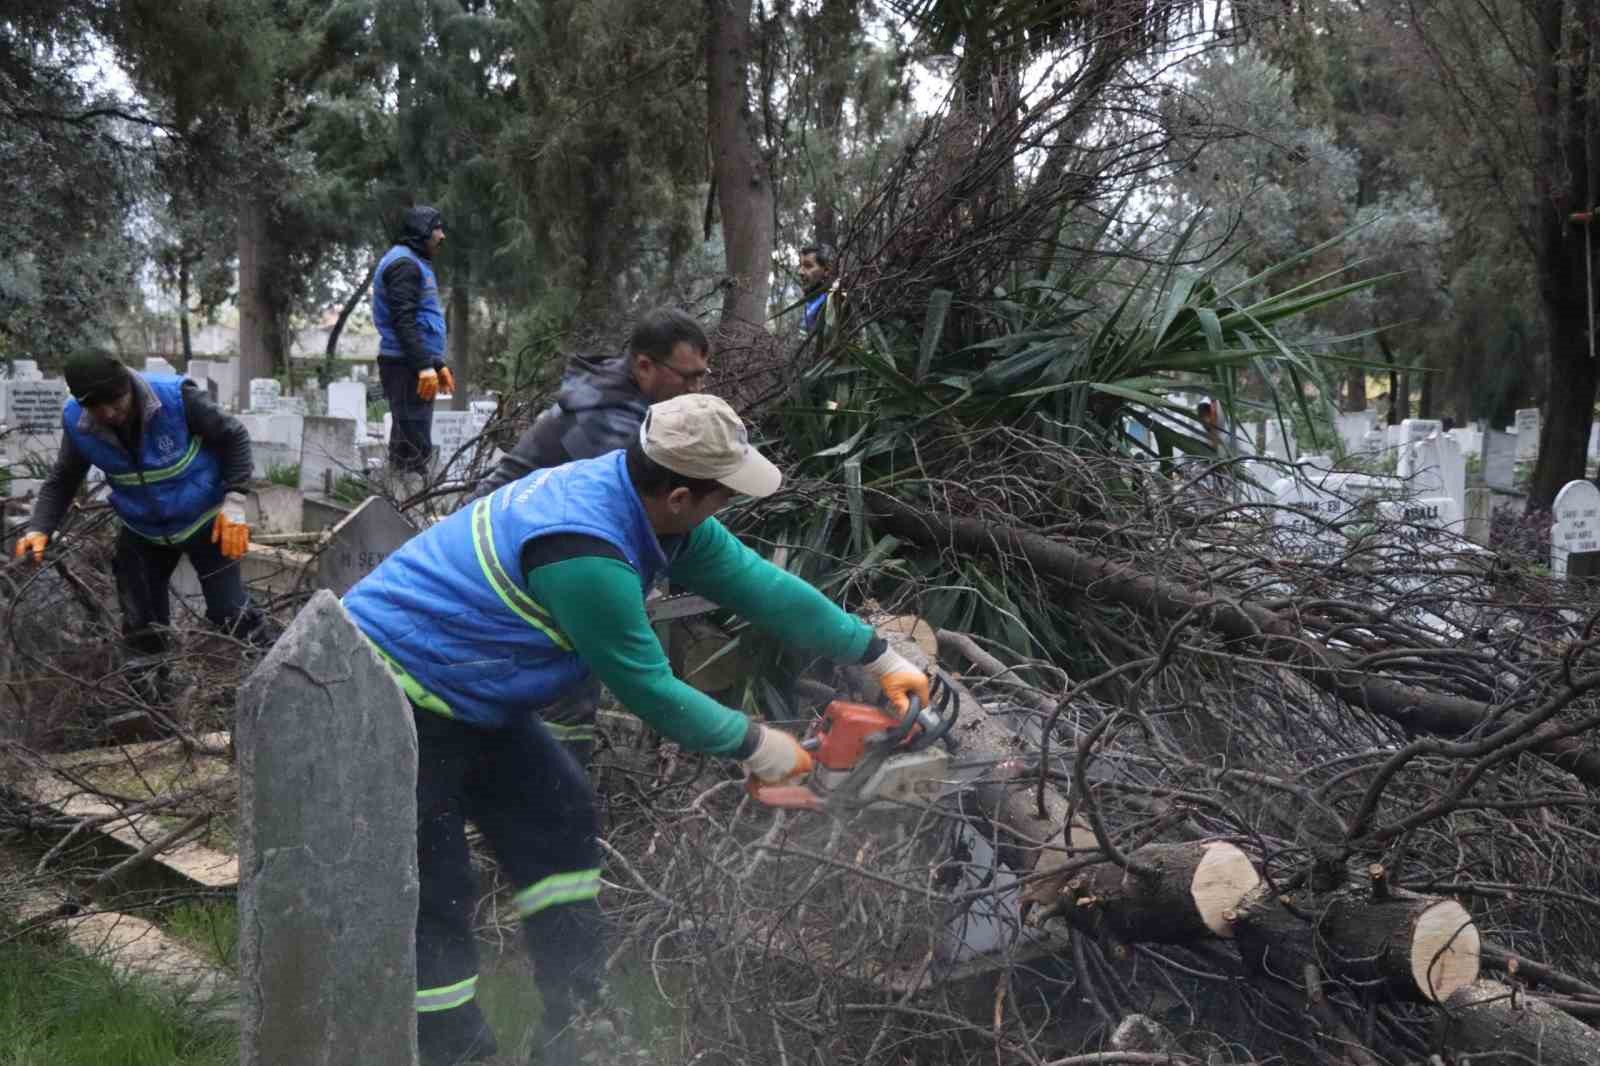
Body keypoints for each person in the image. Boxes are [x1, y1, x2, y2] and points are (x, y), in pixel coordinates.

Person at [341, 393, 930, 1066]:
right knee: (436, 887)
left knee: (561, 817)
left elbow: (761, 586)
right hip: (388, 696)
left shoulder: (651, 509)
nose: (727, 508)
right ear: (679, 493)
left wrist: (877, 655)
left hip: (471, 693)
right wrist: (757, 744)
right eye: (722, 496)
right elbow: (648, 687)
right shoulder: (584, 548)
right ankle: (449, 1051)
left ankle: (577, 1024)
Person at [466, 307, 713, 759]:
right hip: (503, 563)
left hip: (537, 550)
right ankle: (555, 794)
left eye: (703, 378)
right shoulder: (609, 427)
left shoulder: (631, 405)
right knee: (568, 688)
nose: (697, 390)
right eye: (688, 377)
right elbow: (636, 515)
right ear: (644, 366)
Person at [14, 351, 263, 686]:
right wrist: (39, 528)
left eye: (116, 401)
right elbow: (63, 479)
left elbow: (234, 437)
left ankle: (273, 671)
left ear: (128, 385)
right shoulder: (78, 423)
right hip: (143, 531)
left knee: (231, 614)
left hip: (206, 522)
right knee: (142, 626)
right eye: (96, 407)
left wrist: (234, 502)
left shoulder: (177, 398)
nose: (109, 413)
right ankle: (152, 703)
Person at [373, 205, 455, 475]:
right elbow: (403, 321)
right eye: (436, 228)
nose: (442, 236)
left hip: (411, 364)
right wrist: (423, 366)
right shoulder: (404, 265)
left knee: (408, 442)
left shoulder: (414, 262)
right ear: (422, 231)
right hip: (406, 368)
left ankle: (402, 503)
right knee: (414, 447)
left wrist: (436, 362)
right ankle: (411, 505)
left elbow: (418, 322)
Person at [798, 242, 835, 334]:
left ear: (826, 270)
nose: (800, 272)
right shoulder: (810, 300)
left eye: (808, 266)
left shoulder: (833, 302)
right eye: (800, 265)